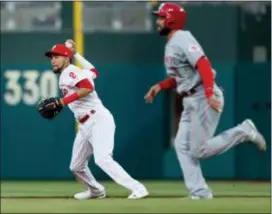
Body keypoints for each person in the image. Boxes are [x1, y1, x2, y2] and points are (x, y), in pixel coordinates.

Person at [144, 2, 266, 199]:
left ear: (172, 19)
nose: (158, 21)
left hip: (202, 95)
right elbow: (181, 77)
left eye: (161, 17)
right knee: (182, 146)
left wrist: (209, 93)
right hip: (190, 99)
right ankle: (200, 192)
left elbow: (204, 64)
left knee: (199, 150)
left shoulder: (182, 38)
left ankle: (244, 131)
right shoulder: (172, 43)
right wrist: (159, 86)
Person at [44, 40, 149, 200]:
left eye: (56, 56)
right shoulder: (73, 72)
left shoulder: (70, 72)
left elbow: (88, 88)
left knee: (102, 159)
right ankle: (96, 191)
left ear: (66, 58)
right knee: (76, 166)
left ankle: (138, 188)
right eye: (51, 57)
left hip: (98, 119)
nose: (52, 60)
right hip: (85, 124)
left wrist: (62, 102)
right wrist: (77, 54)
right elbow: (93, 71)